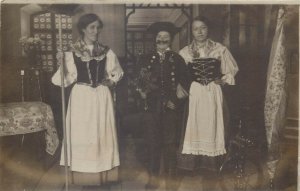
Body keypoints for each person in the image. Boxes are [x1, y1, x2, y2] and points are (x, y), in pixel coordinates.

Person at [52, 13, 123, 186]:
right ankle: (85, 179)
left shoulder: (106, 51)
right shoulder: (71, 52)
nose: (96, 31)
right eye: (92, 27)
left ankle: (103, 177)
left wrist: (110, 81)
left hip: (101, 96)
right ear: (83, 29)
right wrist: (61, 64)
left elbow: (117, 72)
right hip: (81, 98)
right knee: (83, 136)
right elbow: (63, 80)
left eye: (98, 27)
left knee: (101, 135)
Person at [177, 16, 239, 190]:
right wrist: (184, 86)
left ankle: (213, 165)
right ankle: (195, 164)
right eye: (196, 29)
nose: (200, 32)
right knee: (196, 125)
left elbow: (232, 69)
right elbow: (180, 74)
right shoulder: (185, 52)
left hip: (212, 91)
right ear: (192, 31)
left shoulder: (219, 49)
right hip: (196, 92)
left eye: (203, 28)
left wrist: (224, 79)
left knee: (213, 124)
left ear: (208, 29)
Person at [135, 22, 190, 190]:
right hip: (151, 108)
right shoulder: (145, 58)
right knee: (152, 143)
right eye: (159, 37)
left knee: (170, 145)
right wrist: (141, 92)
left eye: (166, 37)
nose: (162, 39)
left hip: (171, 108)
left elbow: (186, 82)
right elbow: (138, 81)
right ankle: (153, 179)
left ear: (171, 40)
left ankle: (171, 182)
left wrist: (176, 100)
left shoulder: (178, 59)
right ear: (155, 39)